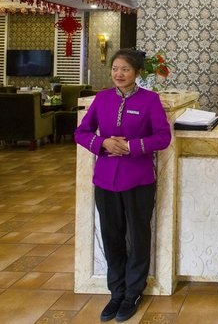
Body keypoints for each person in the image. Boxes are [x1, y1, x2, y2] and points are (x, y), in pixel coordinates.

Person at [74, 48, 172, 322]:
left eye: (125, 69)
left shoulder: (150, 100)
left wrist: (131, 147)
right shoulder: (102, 98)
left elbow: (162, 138)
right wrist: (103, 143)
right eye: (115, 68)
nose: (119, 74)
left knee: (138, 237)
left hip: (138, 179)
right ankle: (116, 292)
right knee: (111, 237)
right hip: (105, 179)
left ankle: (132, 293)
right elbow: (81, 132)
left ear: (137, 73)